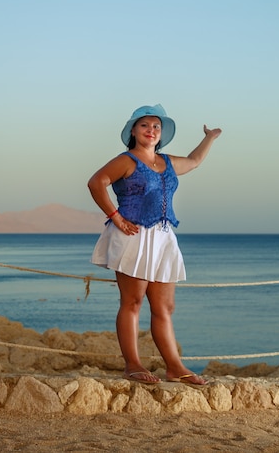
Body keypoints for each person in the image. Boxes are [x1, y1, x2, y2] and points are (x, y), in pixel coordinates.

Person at [87, 104, 222, 385]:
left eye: (156, 127)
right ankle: (133, 365)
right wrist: (115, 216)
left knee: (165, 307)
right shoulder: (126, 160)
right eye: (145, 126)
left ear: (161, 134)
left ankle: (175, 367)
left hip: (162, 237)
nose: (151, 131)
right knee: (132, 301)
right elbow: (96, 182)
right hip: (133, 236)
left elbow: (194, 161)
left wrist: (209, 137)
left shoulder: (168, 162)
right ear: (134, 131)